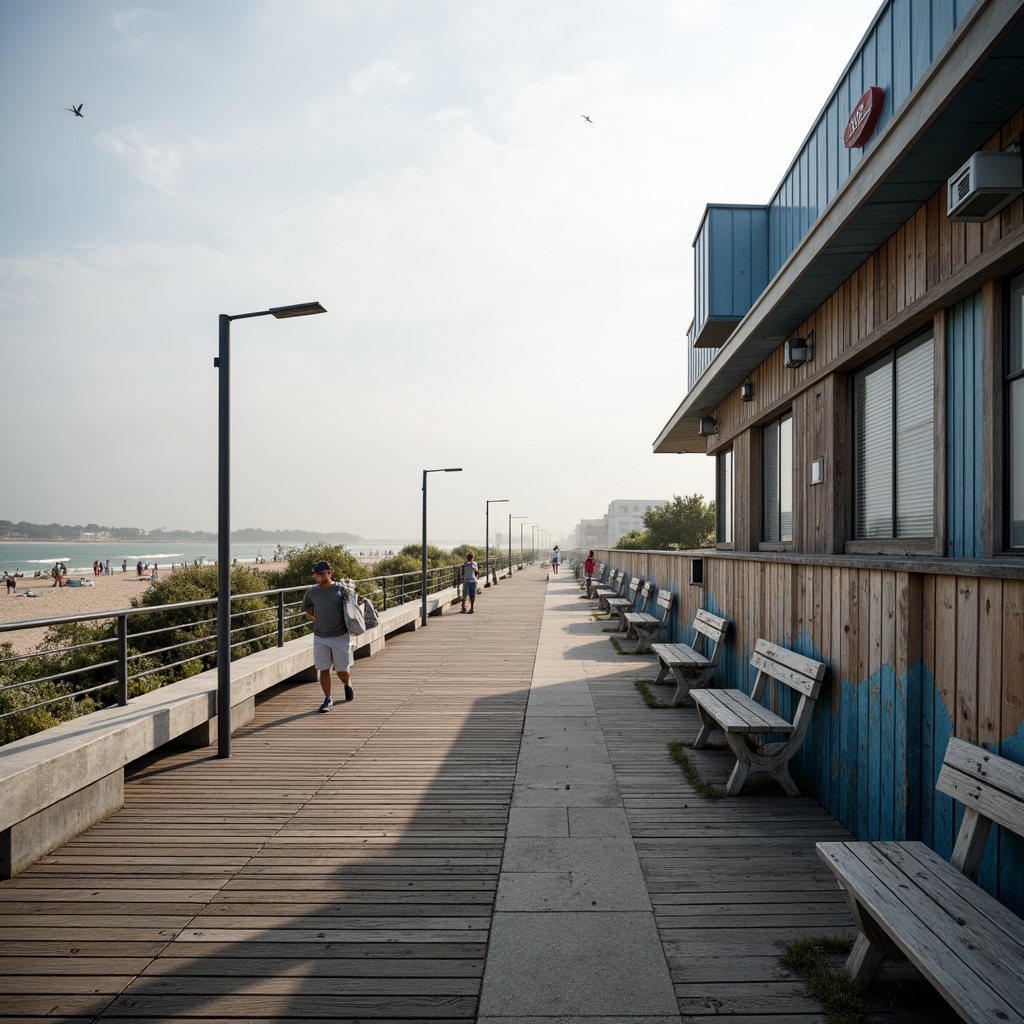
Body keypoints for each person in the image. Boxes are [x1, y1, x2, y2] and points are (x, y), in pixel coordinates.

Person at [301, 560, 354, 712]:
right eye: (316, 574)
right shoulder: (311, 592)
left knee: (341, 670)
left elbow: (352, 607)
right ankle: (328, 699)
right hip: (320, 636)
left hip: (340, 635)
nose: (318, 577)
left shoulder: (341, 589)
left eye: (322, 573)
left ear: (329, 573)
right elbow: (307, 611)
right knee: (323, 668)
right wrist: (314, 617)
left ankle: (347, 684)